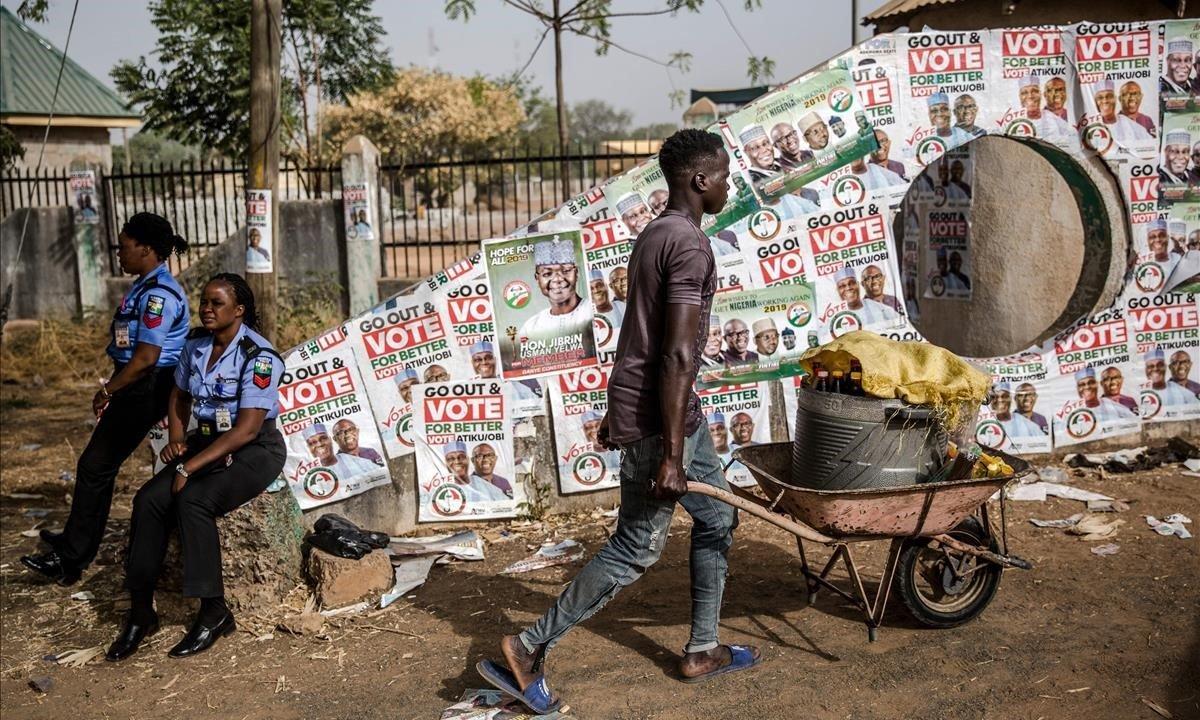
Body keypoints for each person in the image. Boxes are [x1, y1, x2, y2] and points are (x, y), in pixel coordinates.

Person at [476, 128, 756, 714]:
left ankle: (702, 647)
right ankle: (526, 647)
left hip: (649, 409)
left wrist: (616, 409)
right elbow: (676, 353)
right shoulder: (689, 246)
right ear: (700, 180)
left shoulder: (656, 232)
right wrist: (672, 455)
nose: (729, 183)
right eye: (724, 175)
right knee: (636, 547)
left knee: (716, 517)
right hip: (664, 419)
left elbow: (638, 335)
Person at [105, 273, 284, 661]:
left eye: (216, 303)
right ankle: (140, 612)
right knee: (147, 500)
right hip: (206, 441)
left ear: (239, 311)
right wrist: (176, 440)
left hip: (255, 449)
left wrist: (188, 469)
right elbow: (179, 396)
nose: (206, 308)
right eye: (203, 301)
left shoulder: (260, 357)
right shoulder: (196, 348)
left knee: (194, 501)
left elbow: (248, 429)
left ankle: (214, 611)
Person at [22, 213, 190, 587]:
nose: (119, 254)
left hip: (147, 386)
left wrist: (108, 390)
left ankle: (70, 559)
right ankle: (72, 545)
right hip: (136, 384)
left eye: (124, 246)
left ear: (146, 249)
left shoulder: (159, 296)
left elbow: (146, 358)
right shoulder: (145, 286)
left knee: (95, 466)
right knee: (98, 467)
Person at [516, 237, 591, 346]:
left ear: (576, 273)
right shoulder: (531, 327)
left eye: (565, 271)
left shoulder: (592, 310)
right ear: (537, 279)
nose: (557, 279)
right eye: (547, 274)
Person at [304, 423, 380, 479]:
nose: (319, 444)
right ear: (309, 448)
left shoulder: (355, 461)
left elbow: (380, 473)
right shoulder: (310, 476)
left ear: (330, 440)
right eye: (312, 443)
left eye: (323, 438)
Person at [442, 440, 509, 503]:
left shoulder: (483, 484)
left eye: (461, 457)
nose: (457, 462)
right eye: (451, 459)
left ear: (468, 460)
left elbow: (507, 503)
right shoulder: (441, 489)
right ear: (446, 464)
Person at [1017, 73, 1073, 143]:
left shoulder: (1051, 117)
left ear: (1040, 95)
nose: (1030, 96)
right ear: (1020, 97)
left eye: (1034, 91)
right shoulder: (1015, 120)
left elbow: (1072, 135)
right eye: (1024, 93)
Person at [834, 265, 898, 324]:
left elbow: (900, 322)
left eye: (852, 283)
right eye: (842, 286)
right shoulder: (834, 319)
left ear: (858, 285)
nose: (848, 288)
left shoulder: (879, 307)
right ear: (837, 291)